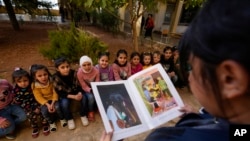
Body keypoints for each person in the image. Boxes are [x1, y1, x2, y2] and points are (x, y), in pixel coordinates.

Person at [100, 0, 250, 140]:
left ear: (229, 78)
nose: (188, 76)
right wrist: (198, 118)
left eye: (190, 67)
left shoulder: (166, 138)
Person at [52, 57, 89, 130]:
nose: (66, 69)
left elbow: (79, 85)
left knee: (84, 98)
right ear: (57, 69)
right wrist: (73, 97)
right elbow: (60, 92)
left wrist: (79, 93)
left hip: (75, 92)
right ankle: (69, 119)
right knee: (64, 103)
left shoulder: (74, 73)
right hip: (65, 94)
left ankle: (83, 114)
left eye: (67, 66)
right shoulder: (55, 77)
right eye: (62, 67)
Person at [12, 68, 49, 138]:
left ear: (29, 79)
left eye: (25, 80)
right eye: (19, 82)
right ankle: (35, 127)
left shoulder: (32, 86)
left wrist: (37, 106)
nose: (23, 83)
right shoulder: (16, 91)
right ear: (15, 82)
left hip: (36, 102)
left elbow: (37, 96)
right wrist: (31, 108)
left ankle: (45, 124)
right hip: (26, 106)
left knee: (41, 111)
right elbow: (20, 102)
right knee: (29, 115)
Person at [30, 64, 67, 132]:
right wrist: (47, 105)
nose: (43, 77)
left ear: (48, 73)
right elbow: (38, 97)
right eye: (40, 76)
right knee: (44, 111)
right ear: (35, 77)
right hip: (44, 102)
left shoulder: (52, 81)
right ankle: (51, 123)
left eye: (45, 74)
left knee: (58, 107)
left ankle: (62, 118)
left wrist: (52, 103)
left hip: (53, 99)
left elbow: (55, 92)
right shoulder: (34, 86)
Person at [77, 55, 100, 121]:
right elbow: (83, 85)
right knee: (91, 97)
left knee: (99, 94)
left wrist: (95, 89)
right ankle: (91, 111)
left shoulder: (96, 71)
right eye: (84, 65)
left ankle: (99, 108)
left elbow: (97, 81)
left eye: (89, 64)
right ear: (81, 65)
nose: (87, 67)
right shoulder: (79, 73)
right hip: (85, 89)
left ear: (91, 63)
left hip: (95, 87)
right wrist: (90, 90)